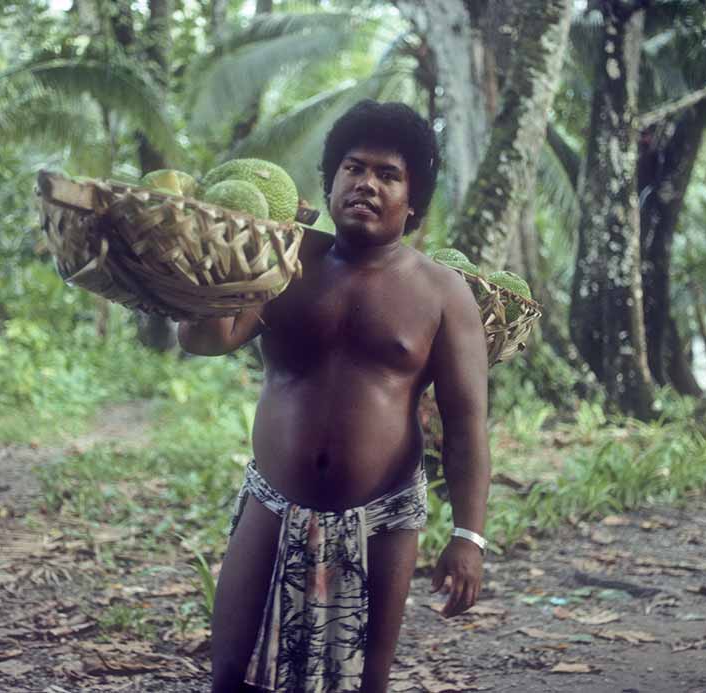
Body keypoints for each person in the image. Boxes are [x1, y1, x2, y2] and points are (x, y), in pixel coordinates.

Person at [178, 100, 490, 693]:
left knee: (363, 684)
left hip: (383, 514)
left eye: (388, 174)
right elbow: (210, 338)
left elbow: (467, 423)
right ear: (331, 181)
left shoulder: (443, 293)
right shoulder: (286, 257)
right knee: (230, 674)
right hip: (273, 500)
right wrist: (195, 280)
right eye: (353, 168)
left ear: (414, 201)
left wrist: (468, 536)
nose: (366, 183)